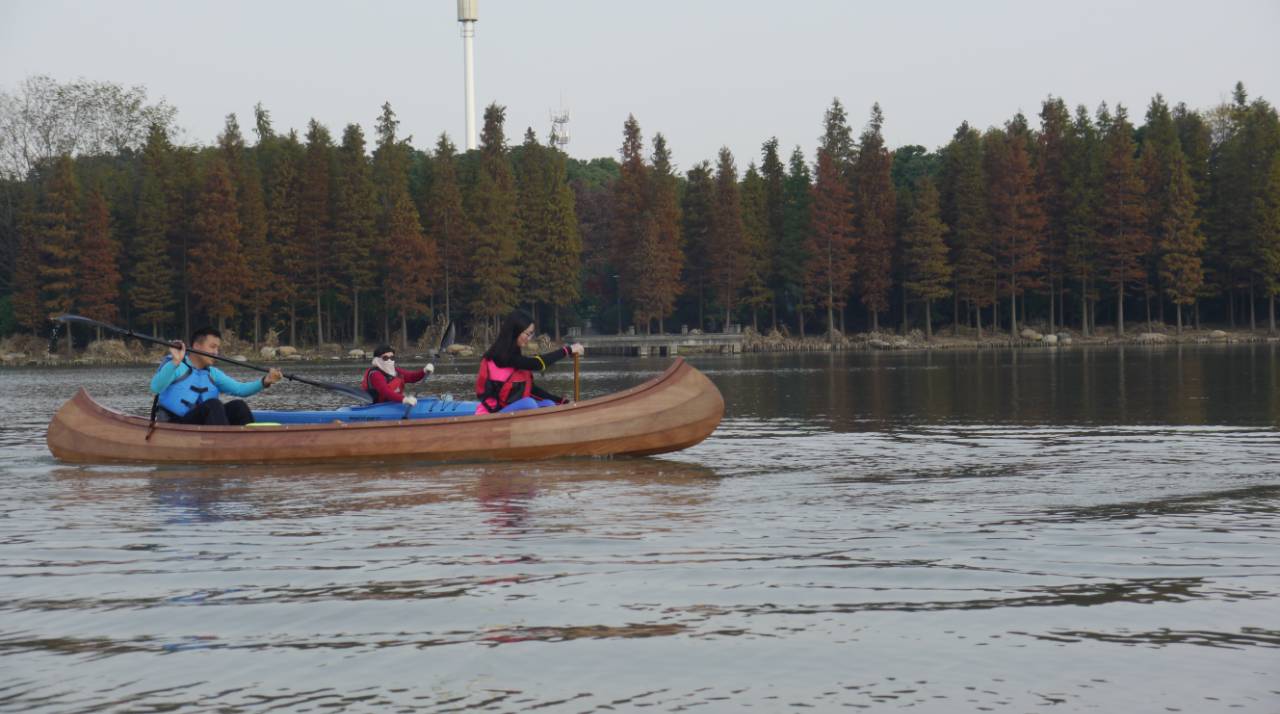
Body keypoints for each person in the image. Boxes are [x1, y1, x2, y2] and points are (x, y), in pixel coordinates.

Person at [150, 327, 283, 426]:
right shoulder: (176, 365)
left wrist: (265, 381)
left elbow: (240, 389)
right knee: (213, 405)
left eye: (217, 348)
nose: (216, 352)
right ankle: (223, 443)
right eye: (212, 347)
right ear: (197, 346)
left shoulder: (213, 373)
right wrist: (175, 361)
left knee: (238, 406)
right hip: (176, 424)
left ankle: (251, 442)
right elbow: (156, 387)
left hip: (202, 424)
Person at [475, 311, 584, 414]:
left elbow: (532, 390)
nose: (529, 338)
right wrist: (567, 350)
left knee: (549, 404)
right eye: (528, 334)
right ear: (515, 332)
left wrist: (562, 402)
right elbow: (538, 364)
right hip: (491, 414)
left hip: (509, 410)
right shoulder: (501, 357)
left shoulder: (515, 357)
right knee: (529, 403)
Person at [361, 344, 434, 405]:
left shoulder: (396, 371)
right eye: (385, 358)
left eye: (392, 357)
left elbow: (411, 377)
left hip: (392, 404)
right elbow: (386, 392)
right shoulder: (375, 375)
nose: (389, 360)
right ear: (378, 359)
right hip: (377, 407)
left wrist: (424, 371)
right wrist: (404, 399)